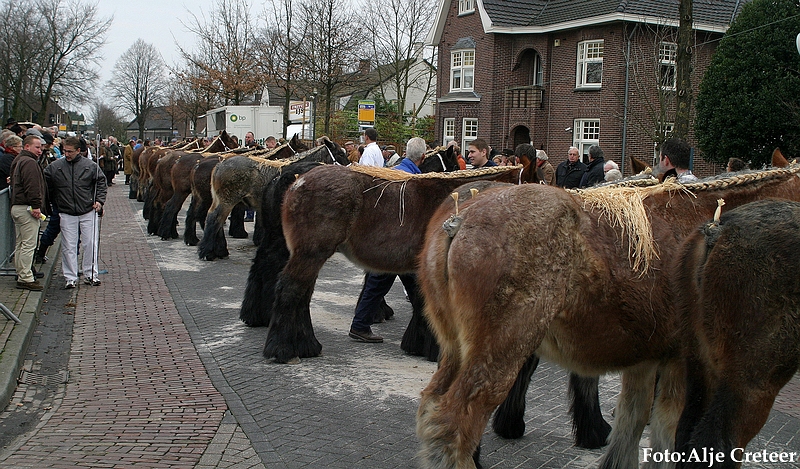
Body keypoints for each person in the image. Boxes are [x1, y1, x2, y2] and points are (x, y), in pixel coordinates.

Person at [349, 137, 427, 343]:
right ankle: (360, 326)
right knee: (386, 285)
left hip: (389, 241)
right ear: (423, 157)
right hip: (397, 245)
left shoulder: (395, 171)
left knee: (397, 285)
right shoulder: (412, 179)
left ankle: (361, 325)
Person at [44, 136, 107, 289]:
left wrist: (99, 200)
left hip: (87, 210)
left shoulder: (90, 166)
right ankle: (70, 277)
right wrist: (54, 201)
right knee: (68, 245)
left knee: (90, 243)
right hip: (66, 211)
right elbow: (44, 181)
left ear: (79, 151)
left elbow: (101, 182)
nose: (66, 154)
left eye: (70, 151)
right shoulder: (55, 167)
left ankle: (91, 274)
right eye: (65, 151)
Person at [9, 135, 49, 290]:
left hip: (17, 207)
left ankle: (21, 273)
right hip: (26, 208)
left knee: (20, 243)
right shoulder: (29, 163)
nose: (40, 150)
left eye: (40, 147)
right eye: (37, 147)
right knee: (28, 244)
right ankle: (26, 277)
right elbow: (32, 186)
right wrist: (36, 206)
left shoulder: (18, 160)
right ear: (27, 147)